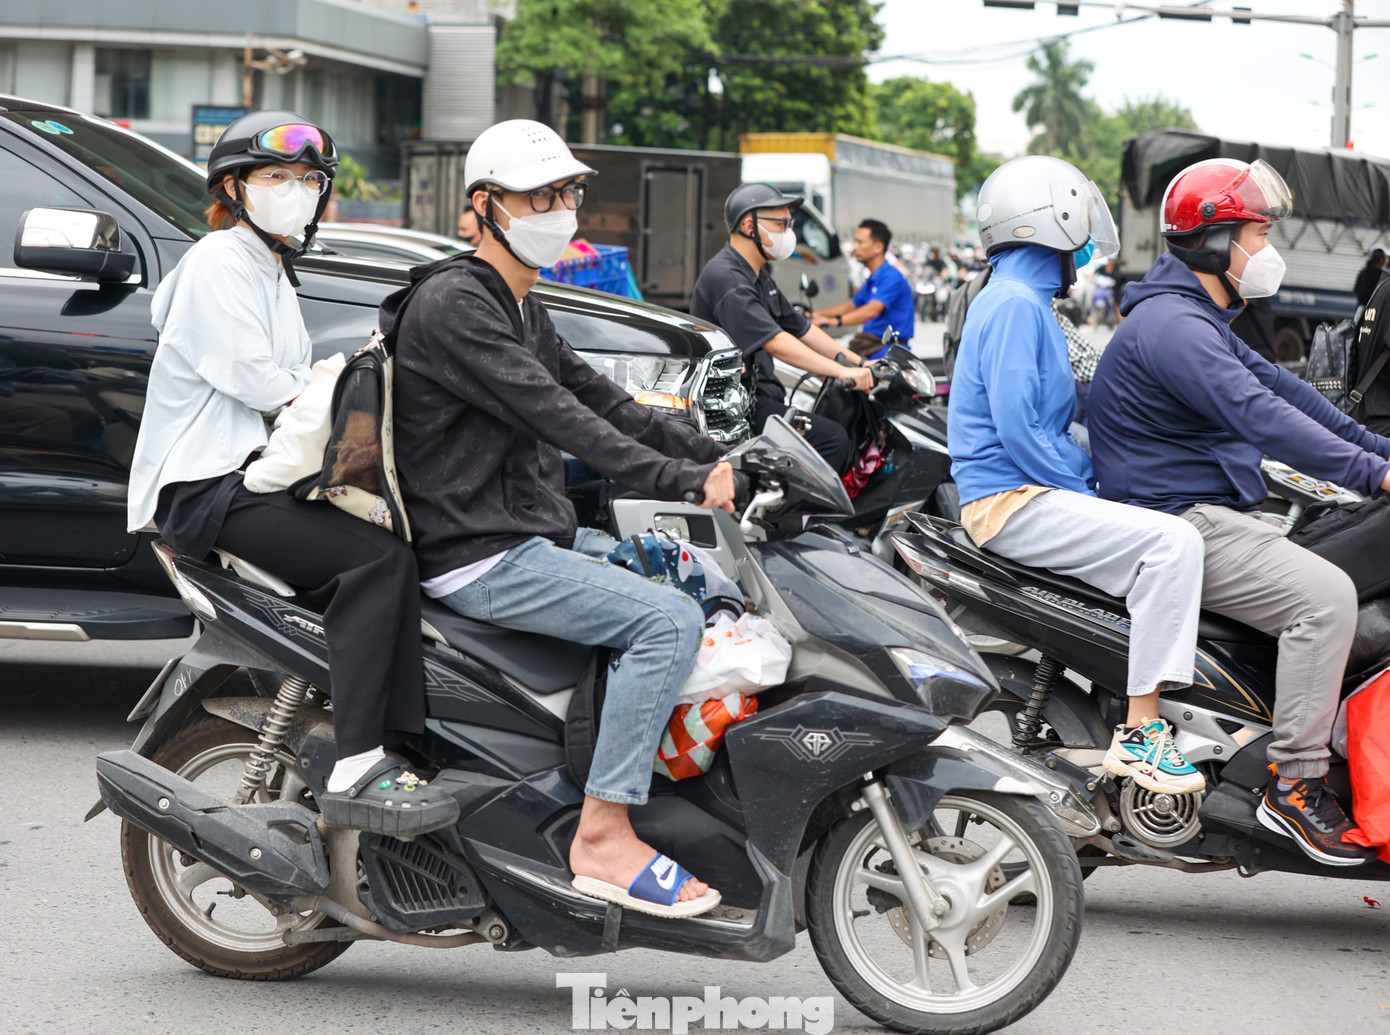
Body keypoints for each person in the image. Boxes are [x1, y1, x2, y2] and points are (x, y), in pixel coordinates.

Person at [387, 119, 735, 919]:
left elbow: (606, 400)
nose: (560, 208)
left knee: (699, 578)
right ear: (485, 207)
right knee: (666, 622)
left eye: (567, 192)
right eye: (539, 195)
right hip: (482, 551)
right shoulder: (456, 305)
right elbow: (562, 421)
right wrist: (684, 478)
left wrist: (718, 449)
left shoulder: (519, 305)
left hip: (528, 529)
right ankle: (604, 831)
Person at [125, 111, 449, 837]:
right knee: (373, 562)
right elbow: (262, 381)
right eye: (277, 177)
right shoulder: (218, 262)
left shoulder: (269, 267)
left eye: (309, 179)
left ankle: (405, 742)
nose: (296, 190)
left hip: (253, 478)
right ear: (235, 188)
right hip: (208, 488)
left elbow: (297, 380)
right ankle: (360, 755)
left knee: (400, 554)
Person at [1088, 157, 1390, 866]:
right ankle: (1295, 783)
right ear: (1214, 242)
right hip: (1182, 518)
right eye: (1257, 234)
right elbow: (1261, 418)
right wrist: (1376, 474)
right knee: (1326, 599)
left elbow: (1291, 393)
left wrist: (1377, 449)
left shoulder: (1196, 317)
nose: (1267, 251)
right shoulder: (1174, 328)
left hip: (1216, 509)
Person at [949, 155, 1207, 796]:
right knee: (1173, 543)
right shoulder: (1013, 306)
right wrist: (1084, 484)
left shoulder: (1018, 298)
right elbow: (1018, 426)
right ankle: (1144, 733)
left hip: (1023, 492)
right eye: (1081, 223)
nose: (1088, 243)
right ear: (1052, 221)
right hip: (1013, 501)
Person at [690, 183, 873, 475]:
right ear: (749, 226)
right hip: (736, 407)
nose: (788, 233)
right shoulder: (727, 277)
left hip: (762, 395)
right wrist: (841, 371)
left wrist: (860, 362)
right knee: (832, 440)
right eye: (780, 224)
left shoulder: (758, 276)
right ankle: (790, 520)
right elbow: (776, 341)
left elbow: (801, 328)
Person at [812, 218, 916, 358]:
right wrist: (816, 315)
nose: (855, 247)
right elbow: (851, 306)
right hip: (870, 345)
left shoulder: (891, 277)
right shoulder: (873, 279)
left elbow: (872, 310)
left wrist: (832, 322)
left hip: (887, 351)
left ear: (878, 247)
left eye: (860, 242)